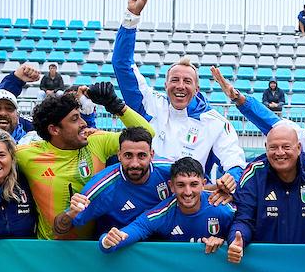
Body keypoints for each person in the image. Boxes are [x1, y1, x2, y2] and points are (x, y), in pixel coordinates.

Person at [113, 0, 246, 194]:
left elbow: (235, 162)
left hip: (187, 203)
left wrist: (232, 178)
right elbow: (122, 65)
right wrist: (132, 16)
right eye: (174, 80)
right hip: (146, 198)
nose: (180, 86)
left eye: (187, 81)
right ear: (165, 84)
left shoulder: (215, 123)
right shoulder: (150, 103)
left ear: (197, 88)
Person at [14, 85, 155, 240]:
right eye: (75, 119)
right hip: (48, 247)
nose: (84, 123)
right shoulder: (26, 154)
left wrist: (115, 105)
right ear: (54, 130)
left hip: (93, 247)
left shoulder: (96, 142)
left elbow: (147, 134)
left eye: (80, 116)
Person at [226, 122, 305, 263]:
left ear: (299, 148)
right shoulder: (254, 174)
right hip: (266, 265)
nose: (280, 153)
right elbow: (243, 219)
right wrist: (237, 240)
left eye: (286, 147)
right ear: (266, 148)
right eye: (273, 147)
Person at [99, 157, 234, 253]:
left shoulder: (223, 208)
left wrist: (224, 241)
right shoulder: (162, 213)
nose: (188, 192)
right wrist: (106, 242)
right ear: (171, 186)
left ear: (203, 184)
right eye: (181, 185)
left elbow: (243, 230)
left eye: (194, 184)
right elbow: (133, 230)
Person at [56, 127, 174, 236]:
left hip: (162, 244)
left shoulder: (170, 171)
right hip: (117, 245)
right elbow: (59, 229)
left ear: (151, 155)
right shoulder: (102, 187)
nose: (134, 163)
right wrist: (70, 214)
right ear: (119, 155)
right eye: (128, 155)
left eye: (141, 156)